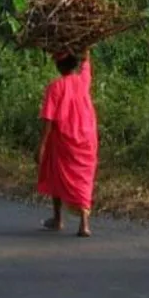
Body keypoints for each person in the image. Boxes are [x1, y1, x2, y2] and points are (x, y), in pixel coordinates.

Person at [36, 51, 98, 237]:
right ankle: (84, 223)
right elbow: (86, 61)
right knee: (84, 178)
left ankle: (57, 218)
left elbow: (48, 118)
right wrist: (86, 47)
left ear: (59, 65)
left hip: (63, 138)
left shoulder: (55, 87)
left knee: (56, 173)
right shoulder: (83, 80)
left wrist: (42, 145)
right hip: (87, 137)